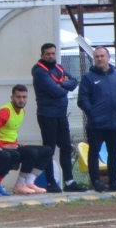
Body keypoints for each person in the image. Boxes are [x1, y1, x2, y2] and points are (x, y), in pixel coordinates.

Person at [78, 45, 116, 193]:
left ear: (108, 57)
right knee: (94, 152)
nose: (100, 59)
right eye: (97, 56)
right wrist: (93, 113)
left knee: (113, 152)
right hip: (96, 124)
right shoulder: (88, 77)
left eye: (102, 56)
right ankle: (96, 181)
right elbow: (82, 99)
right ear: (94, 59)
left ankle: (114, 181)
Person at [30, 41, 82, 192]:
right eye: (48, 54)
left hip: (61, 114)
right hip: (47, 115)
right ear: (42, 55)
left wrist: (61, 84)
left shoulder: (58, 68)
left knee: (66, 147)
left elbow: (74, 82)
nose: (51, 56)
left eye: (53, 53)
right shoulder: (40, 71)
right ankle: (51, 182)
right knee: (49, 150)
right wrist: (62, 84)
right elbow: (56, 91)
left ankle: (69, 182)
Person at [0, 85, 51, 195]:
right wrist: (2, 146)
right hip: (3, 148)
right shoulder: (5, 111)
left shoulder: (22, 112)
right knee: (32, 152)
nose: (21, 100)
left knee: (47, 150)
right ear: (11, 97)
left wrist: (16, 143)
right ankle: (19, 185)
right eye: (18, 97)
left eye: (24, 97)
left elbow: (12, 130)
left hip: (13, 146)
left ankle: (29, 182)